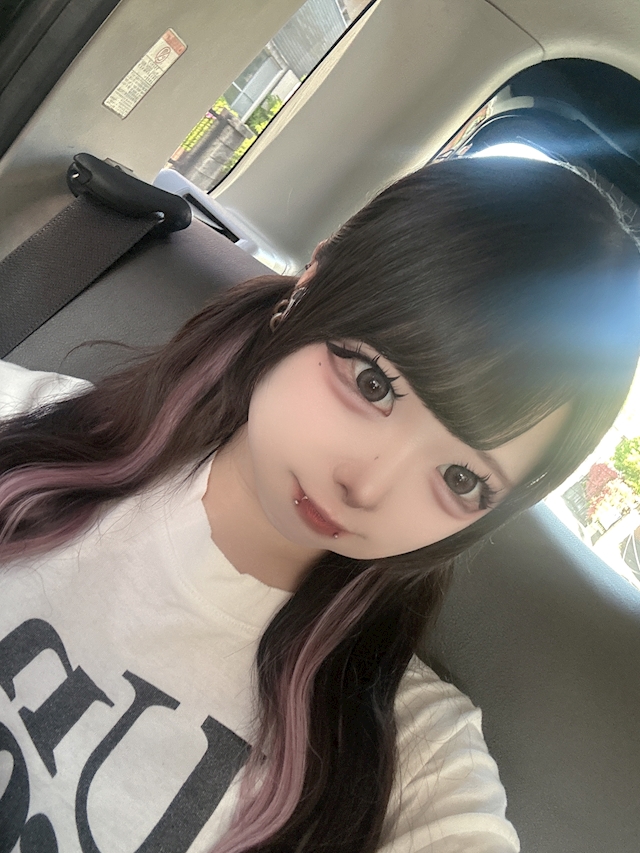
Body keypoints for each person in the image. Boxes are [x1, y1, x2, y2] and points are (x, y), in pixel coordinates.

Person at [0, 156, 639, 853]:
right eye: (372, 383)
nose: (367, 487)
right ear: (310, 287)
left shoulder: (404, 757)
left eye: (461, 478)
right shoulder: (21, 426)